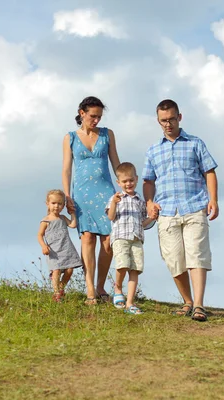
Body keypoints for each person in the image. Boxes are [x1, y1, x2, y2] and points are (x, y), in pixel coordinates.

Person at [142, 99, 219, 322]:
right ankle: (187, 301)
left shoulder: (196, 143)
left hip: (195, 206)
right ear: (158, 121)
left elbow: (210, 172)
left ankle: (199, 305)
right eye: (163, 121)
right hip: (166, 211)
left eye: (172, 119)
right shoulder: (153, 150)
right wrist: (149, 202)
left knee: (196, 254)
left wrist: (213, 199)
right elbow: (148, 180)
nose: (168, 124)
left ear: (179, 117)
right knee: (174, 259)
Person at [62, 96, 121, 305]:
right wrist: (67, 195)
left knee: (108, 242)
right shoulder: (70, 138)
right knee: (87, 238)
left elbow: (116, 163)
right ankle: (89, 290)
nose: (96, 120)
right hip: (82, 195)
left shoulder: (108, 134)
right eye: (92, 116)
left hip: (106, 192)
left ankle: (100, 286)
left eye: (99, 116)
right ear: (82, 113)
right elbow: (67, 169)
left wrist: (125, 186)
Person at [106, 162, 157, 315]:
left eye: (131, 180)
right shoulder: (115, 198)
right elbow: (111, 216)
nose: (128, 184)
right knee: (122, 265)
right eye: (124, 181)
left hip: (136, 238)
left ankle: (130, 302)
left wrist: (152, 218)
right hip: (121, 237)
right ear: (119, 183)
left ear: (136, 179)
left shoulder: (139, 201)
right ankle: (118, 288)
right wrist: (114, 203)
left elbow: (143, 223)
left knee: (135, 269)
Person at [37, 189, 82, 302]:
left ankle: (61, 287)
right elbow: (39, 235)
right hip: (54, 251)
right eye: (53, 203)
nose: (56, 206)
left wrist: (72, 212)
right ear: (47, 204)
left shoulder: (62, 218)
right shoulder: (45, 221)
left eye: (59, 203)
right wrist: (43, 246)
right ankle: (57, 294)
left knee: (70, 270)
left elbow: (72, 225)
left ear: (63, 205)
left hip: (66, 248)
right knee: (56, 270)